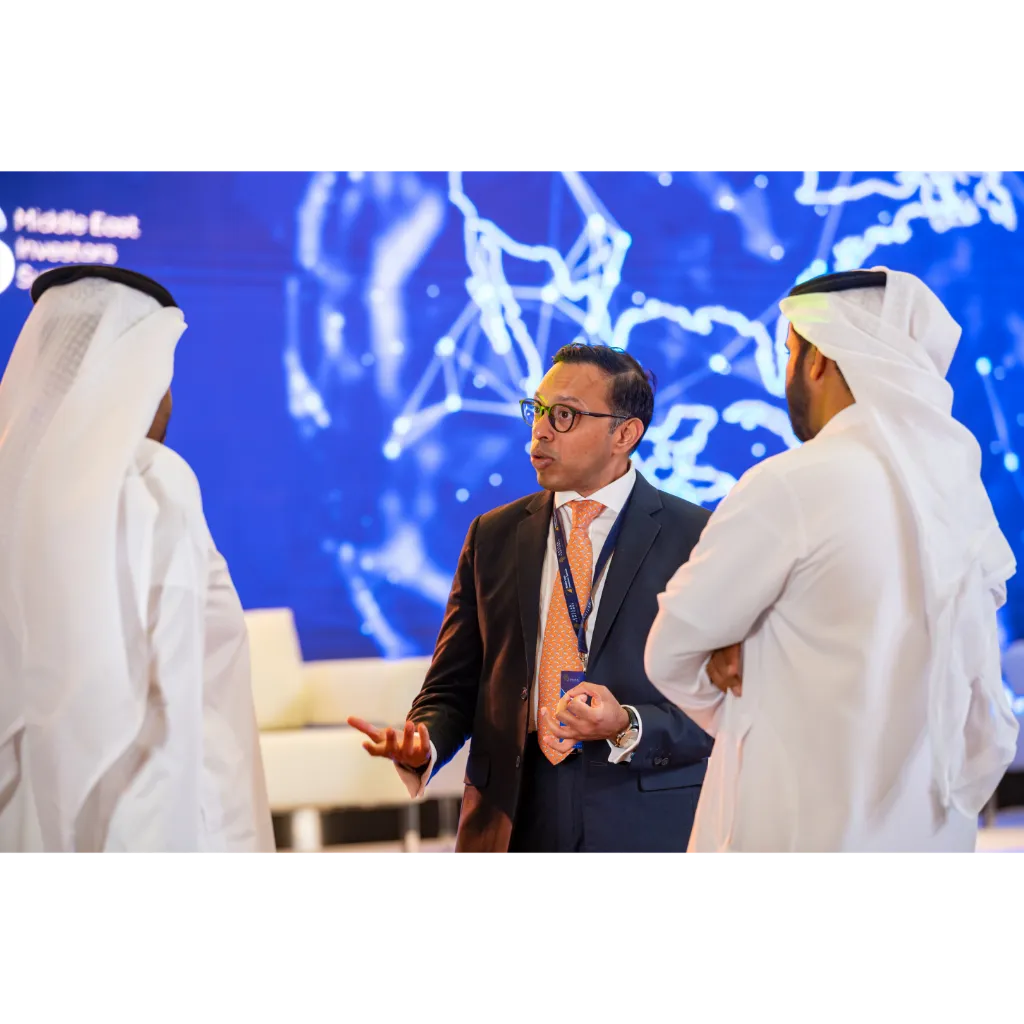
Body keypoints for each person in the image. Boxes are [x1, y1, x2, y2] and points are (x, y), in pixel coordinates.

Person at [644, 267, 1019, 855]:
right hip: (931, 834)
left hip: (798, 830)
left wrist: (750, 680)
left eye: (789, 353)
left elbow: (670, 651)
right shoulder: (959, 500)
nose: (787, 373)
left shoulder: (791, 483)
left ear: (818, 359)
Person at [349, 343, 714, 854]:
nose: (540, 430)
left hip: (642, 819)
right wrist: (424, 740)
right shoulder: (493, 534)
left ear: (625, 434)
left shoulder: (697, 538)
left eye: (564, 415)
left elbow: (722, 703)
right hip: (510, 817)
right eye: (537, 410)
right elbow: (452, 685)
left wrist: (627, 724)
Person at [0, 265, 275, 855]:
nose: (167, 397)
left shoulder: (12, 495)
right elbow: (165, 713)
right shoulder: (152, 484)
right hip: (153, 824)